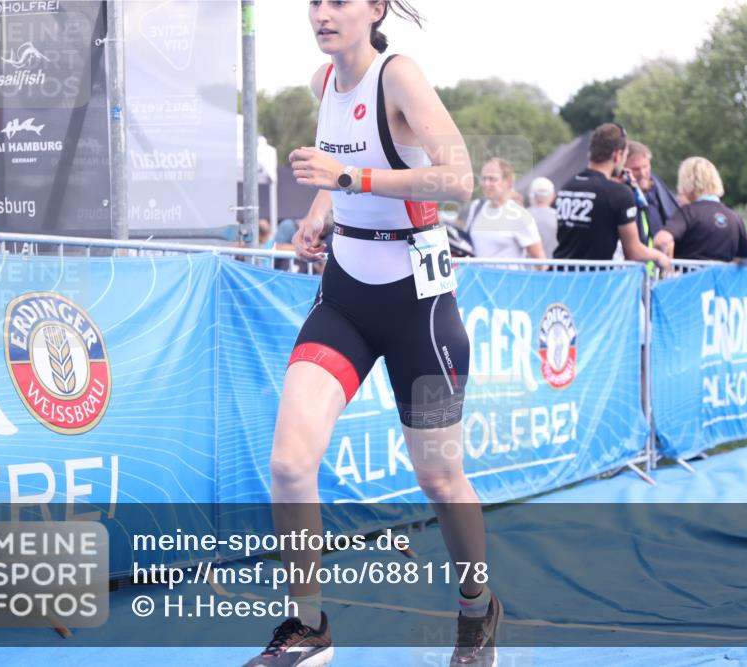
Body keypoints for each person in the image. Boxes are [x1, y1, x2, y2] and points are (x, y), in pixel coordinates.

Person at [244, 2, 500, 666]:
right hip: (347, 295)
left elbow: (459, 178)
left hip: (421, 304)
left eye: (339, 1)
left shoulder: (400, 76)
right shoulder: (322, 82)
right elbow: (335, 158)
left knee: (440, 476)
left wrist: (348, 179)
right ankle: (308, 627)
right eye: (315, 2)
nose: (323, 14)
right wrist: (322, 210)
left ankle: (478, 612)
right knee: (290, 463)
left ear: (375, 9)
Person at [553, 123, 670, 271]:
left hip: (560, 278)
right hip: (593, 283)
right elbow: (633, 251)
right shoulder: (618, 193)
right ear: (617, 155)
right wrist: (659, 257)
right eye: (625, 156)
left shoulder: (568, 186)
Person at [653, 157, 747, 265]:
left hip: (689, 280)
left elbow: (661, 240)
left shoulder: (688, 213)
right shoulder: (734, 217)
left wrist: (666, 262)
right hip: (720, 281)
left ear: (687, 182)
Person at [465, 158, 546, 264]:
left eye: (492, 179)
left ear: (508, 182)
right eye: (483, 179)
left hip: (507, 279)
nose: (486, 183)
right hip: (477, 278)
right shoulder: (476, 207)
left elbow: (540, 260)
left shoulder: (520, 216)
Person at [625, 141, 679, 240]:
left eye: (645, 167)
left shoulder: (660, 191)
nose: (642, 173)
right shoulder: (620, 197)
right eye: (636, 169)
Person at [526, 176, 558, 257]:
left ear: (530, 195)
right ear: (553, 196)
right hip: (553, 267)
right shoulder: (560, 218)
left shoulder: (521, 217)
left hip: (525, 268)